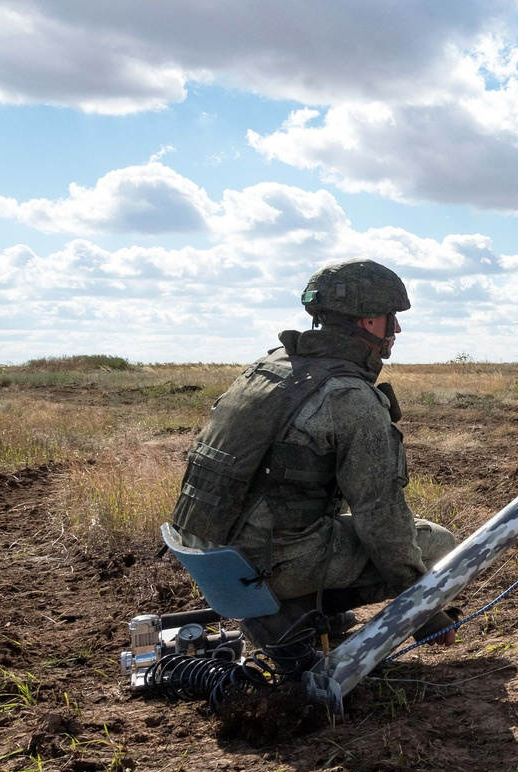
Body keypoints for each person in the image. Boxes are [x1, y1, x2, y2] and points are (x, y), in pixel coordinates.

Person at [168, 258, 459, 652]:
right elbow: (382, 520)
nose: (398, 329)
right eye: (392, 317)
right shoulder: (350, 396)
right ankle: (292, 616)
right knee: (440, 544)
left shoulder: (268, 366)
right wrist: (426, 614)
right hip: (262, 563)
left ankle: (307, 613)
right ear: (369, 320)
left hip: (205, 549)